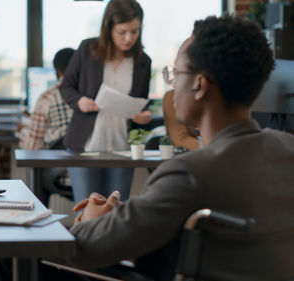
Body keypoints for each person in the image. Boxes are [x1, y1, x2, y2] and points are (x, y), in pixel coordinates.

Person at [70, 15, 294, 280]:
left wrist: (90, 222)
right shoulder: (287, 150)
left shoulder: (189, 173)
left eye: (176, 73)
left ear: (199, 84)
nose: (172, 86)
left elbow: (88, 249)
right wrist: (122, 213)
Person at [60, 0, 152, 204]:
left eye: (134, 32)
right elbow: (66, 87)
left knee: (116, 212)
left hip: (121, 148)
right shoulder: (87, 49)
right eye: (122, 32)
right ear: (108, 27)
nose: (129, 38)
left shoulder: (143, 62)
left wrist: (143, 117)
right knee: (87, 211)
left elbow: (140, 103)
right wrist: (80, 101)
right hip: (85, 146)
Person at [19, 48, 75, 150]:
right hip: (86, 160)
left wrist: (24, 133)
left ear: (57, 71)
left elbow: (33, 146)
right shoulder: (90, 95)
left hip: (55, 161)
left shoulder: (47, 98)